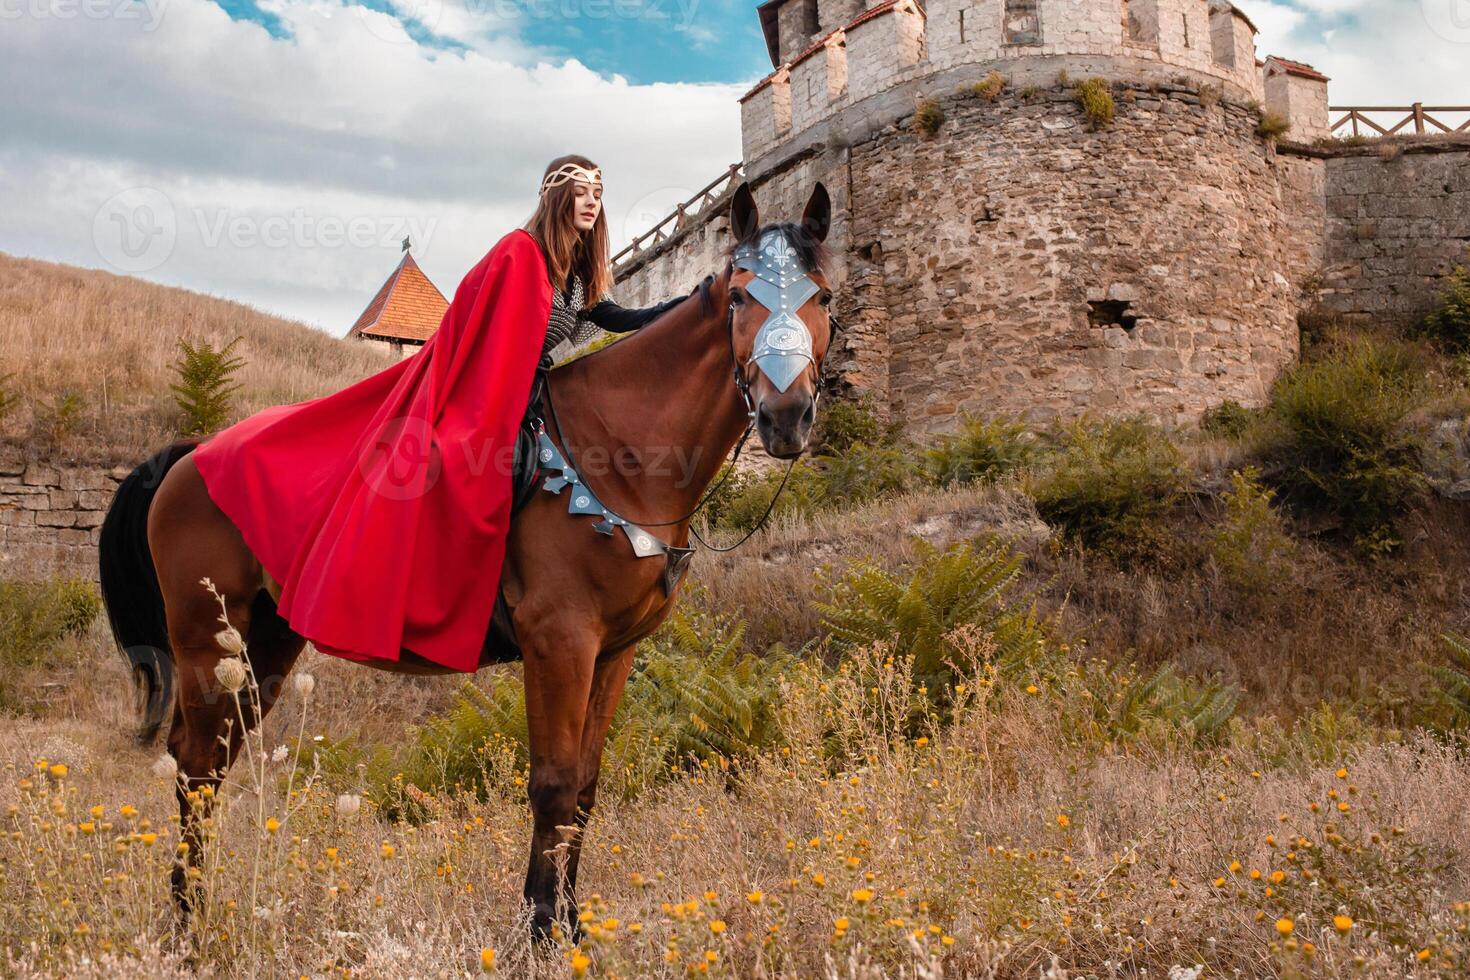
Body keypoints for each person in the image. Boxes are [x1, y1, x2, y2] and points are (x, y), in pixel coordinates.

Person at [189, 154, 685, 672]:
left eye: (598, 193)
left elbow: (614, 316)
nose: (591, 201)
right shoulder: (521, 252)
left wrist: (679, 307)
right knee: (464, 470)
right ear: (555, 196)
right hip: (487, 395)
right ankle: (465, 598)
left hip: (533, 396)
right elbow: (481, 340)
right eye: (580, 190)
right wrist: (501, 407)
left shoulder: (578, 272)